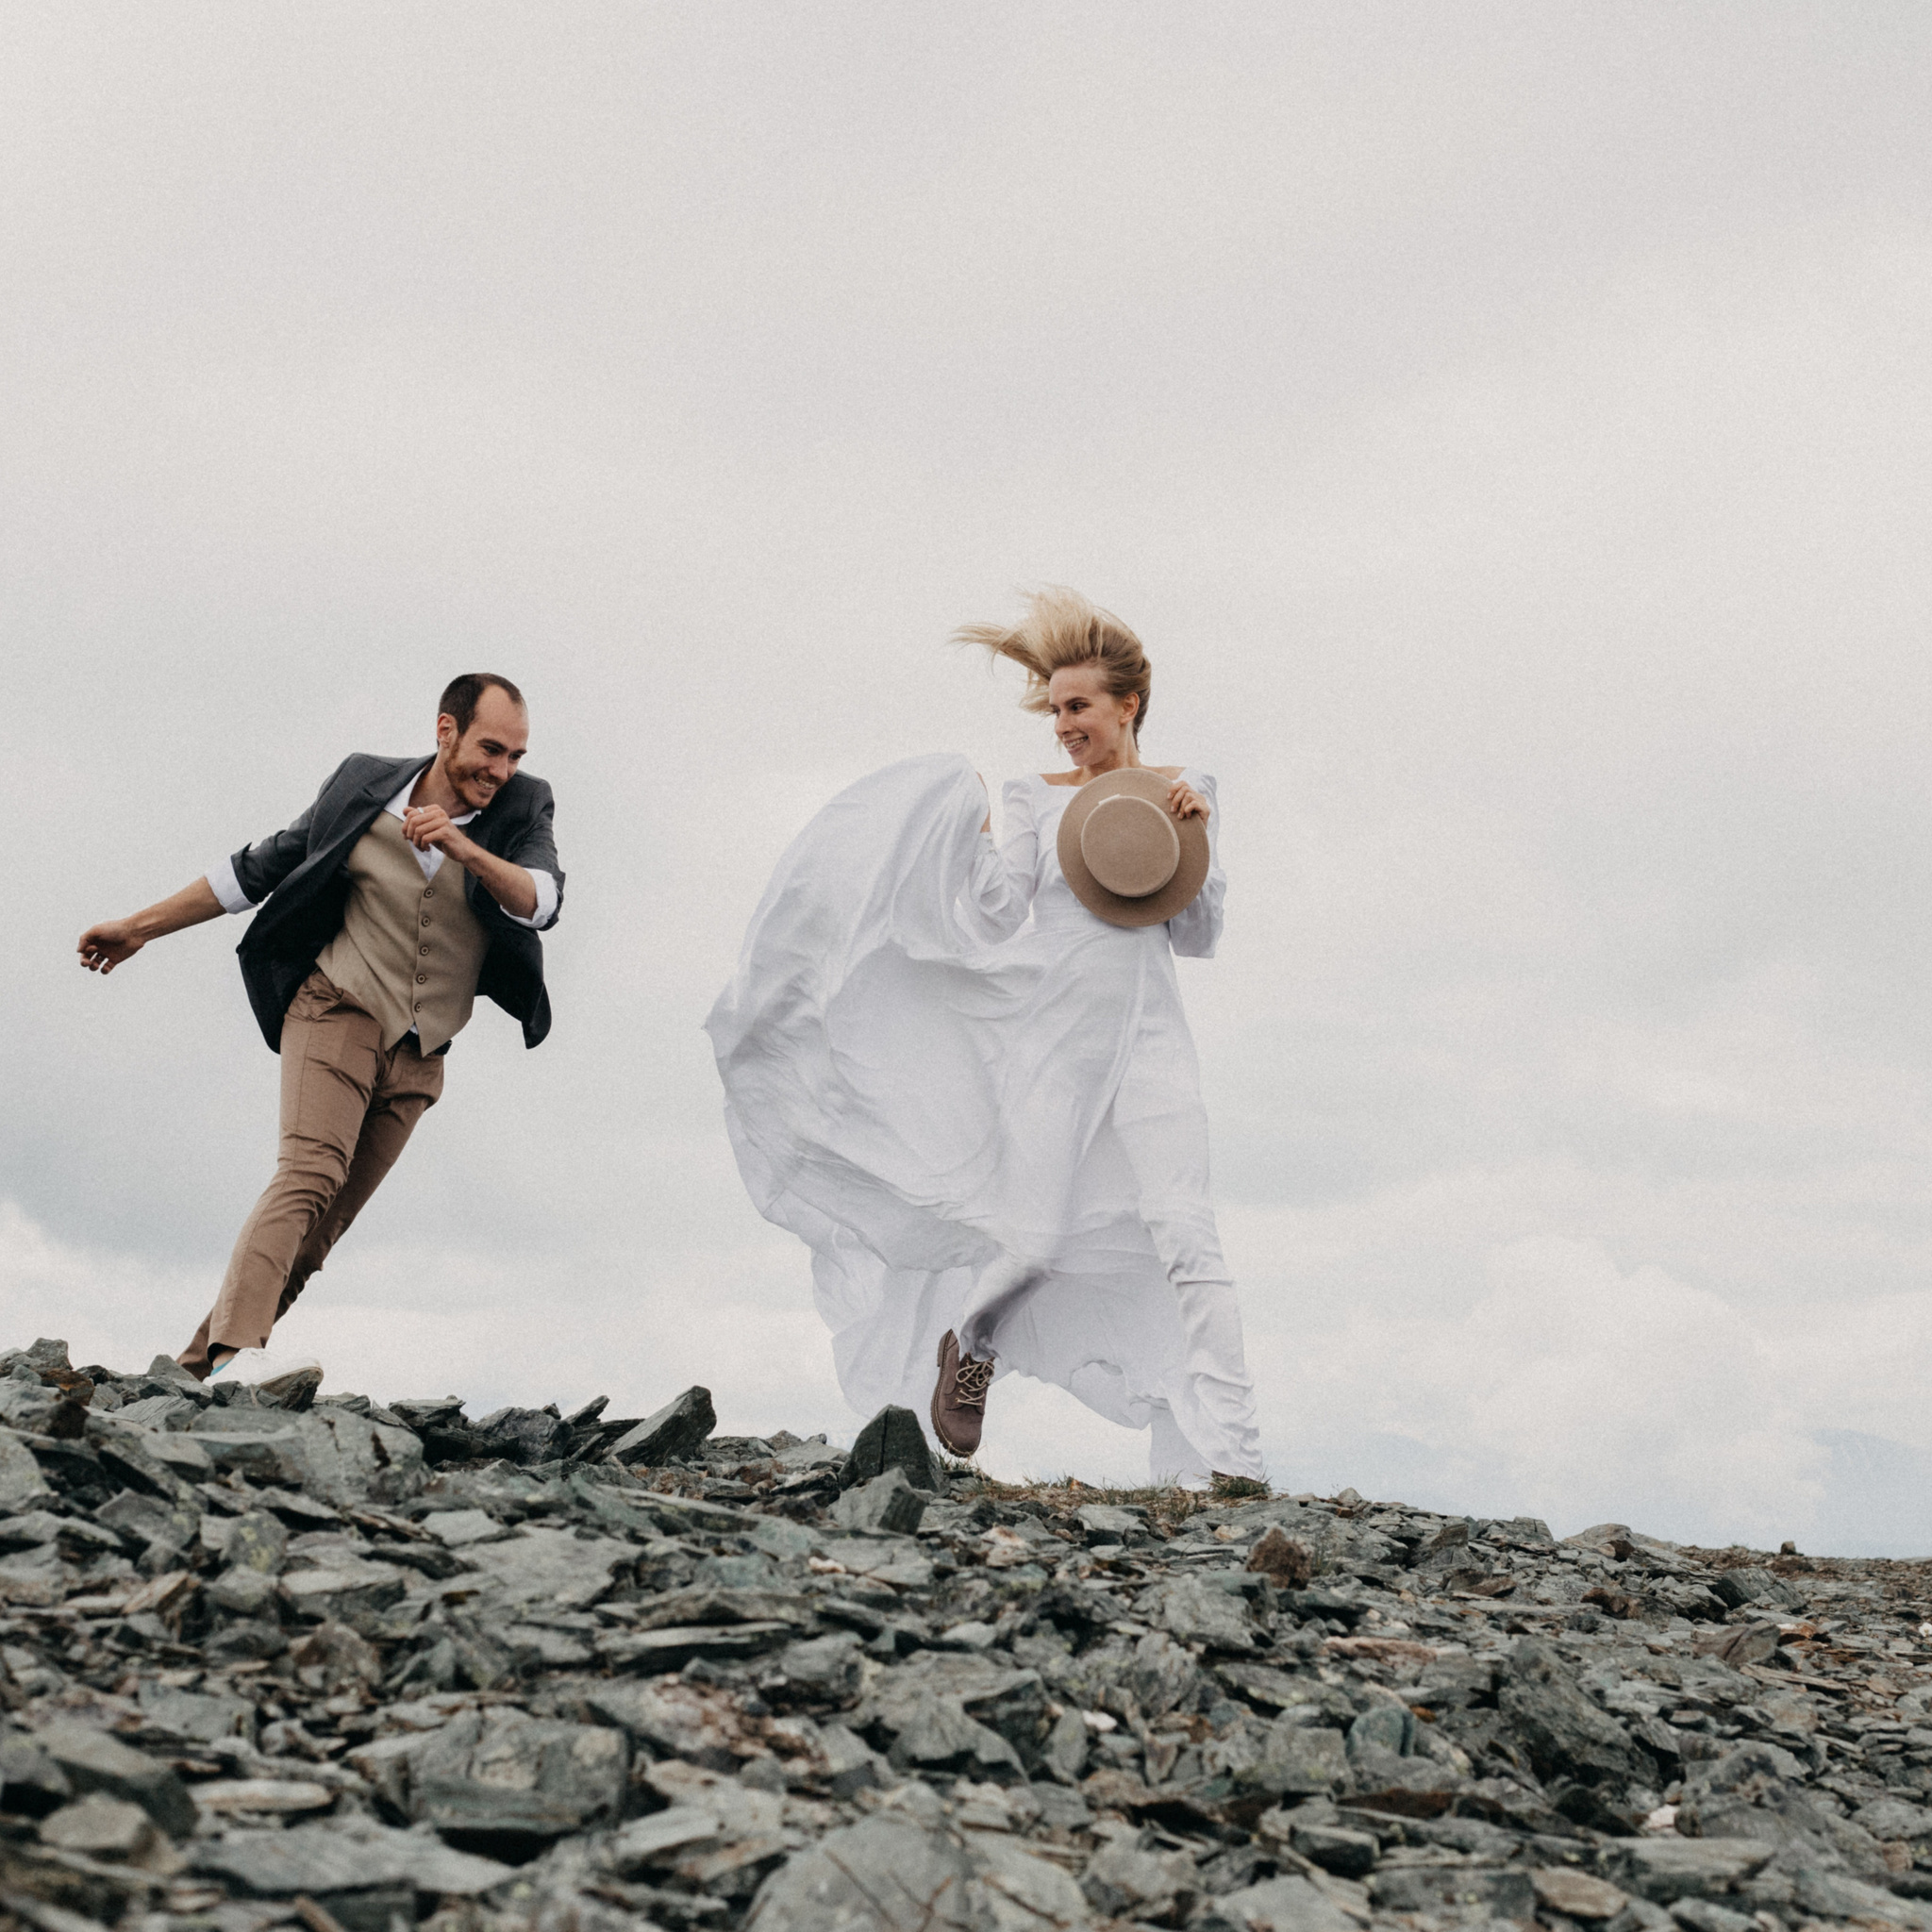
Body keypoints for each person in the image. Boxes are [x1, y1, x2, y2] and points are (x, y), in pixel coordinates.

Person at [706, 589, 1267, 1491]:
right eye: (1053, 709)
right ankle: (969, 1343)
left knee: (1189, 1236)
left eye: (1077, 706)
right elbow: (1002, 912)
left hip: (1153, 1042)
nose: (1062, 725)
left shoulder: (1179, 791)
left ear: (1127, 704)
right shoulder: (1031, 799)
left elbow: (1195, 937)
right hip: (1052, 1042)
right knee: (1035, 1243)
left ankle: (1237, 1460)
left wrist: (1195, 842)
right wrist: (957, 845)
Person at [76, 675, 564, 1391]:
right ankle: (244, 1351)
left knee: (322, 1231)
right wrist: (139, 927)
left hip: (422, 1053)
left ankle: (190, 1376)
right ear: (445, 731)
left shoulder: (526, 804)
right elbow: (258, 868)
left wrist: (467, 855)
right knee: (309, 1173)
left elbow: (543, 902)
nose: (503, 769)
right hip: (337, 1006)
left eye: (515, 755)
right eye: (491, 748)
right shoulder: (363, 784)